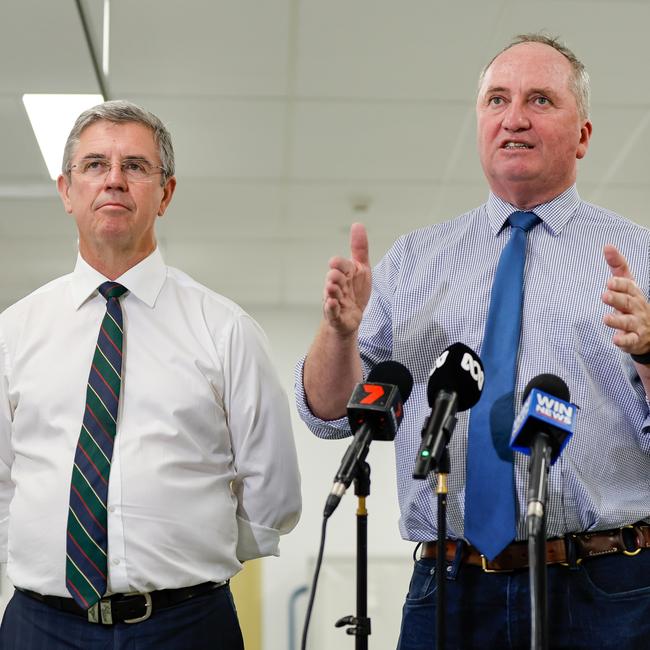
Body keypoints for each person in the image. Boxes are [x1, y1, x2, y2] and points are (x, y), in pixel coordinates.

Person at [296, 33, 650, 650]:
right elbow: (330, 414)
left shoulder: (639, 258)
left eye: (540, 100)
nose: (514, 117)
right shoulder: (414, 262)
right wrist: (339, 333)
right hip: (450, 585)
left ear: (584, 136)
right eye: (497, 100)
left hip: (609, 590)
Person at [0, 100, 301, 649]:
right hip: (40, 626)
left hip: (186, 625)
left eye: (135, 166)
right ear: (66, 191)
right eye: (94, 165)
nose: (114, 180)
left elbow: (272, 490)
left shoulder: (225, 329)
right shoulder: (12, 333)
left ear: (165, 193)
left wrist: (186, 554)